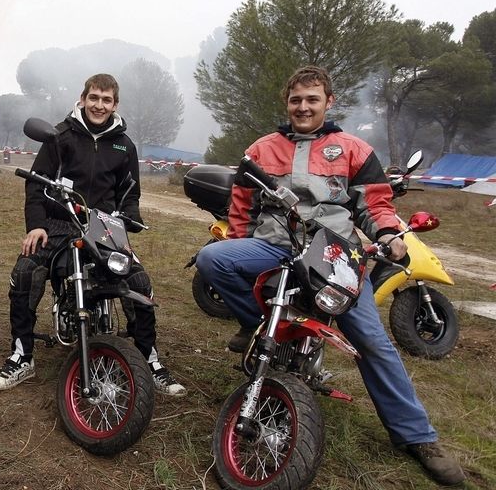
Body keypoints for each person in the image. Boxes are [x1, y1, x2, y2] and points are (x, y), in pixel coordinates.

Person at [195, 65, 465, 486]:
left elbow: (375, 204)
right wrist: (238, 242)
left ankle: (418, 437)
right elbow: (242, 208)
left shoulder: (354, 149)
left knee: (373, 343)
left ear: (328, 102)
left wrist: (390, 233)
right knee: (213, 259)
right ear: (287, 103)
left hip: (334, 255)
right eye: (296, 100)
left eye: (312, 100)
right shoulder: (261, 150)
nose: (303, 107)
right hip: (274, 247)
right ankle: (255, 325)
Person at [0, 73, 186, 397]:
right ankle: (22, 355)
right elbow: (36, 183)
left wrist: (129, 220)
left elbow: (130, 192)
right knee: (25, 272)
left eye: (106, 100)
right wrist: (36, 225)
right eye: (93, 97)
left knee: (139, 282)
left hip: (104, 226)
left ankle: (148, 359)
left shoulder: (124, 144)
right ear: (83, 99)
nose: (99, 105)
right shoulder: (59, 136)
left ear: (115, 104)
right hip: (59, 224)